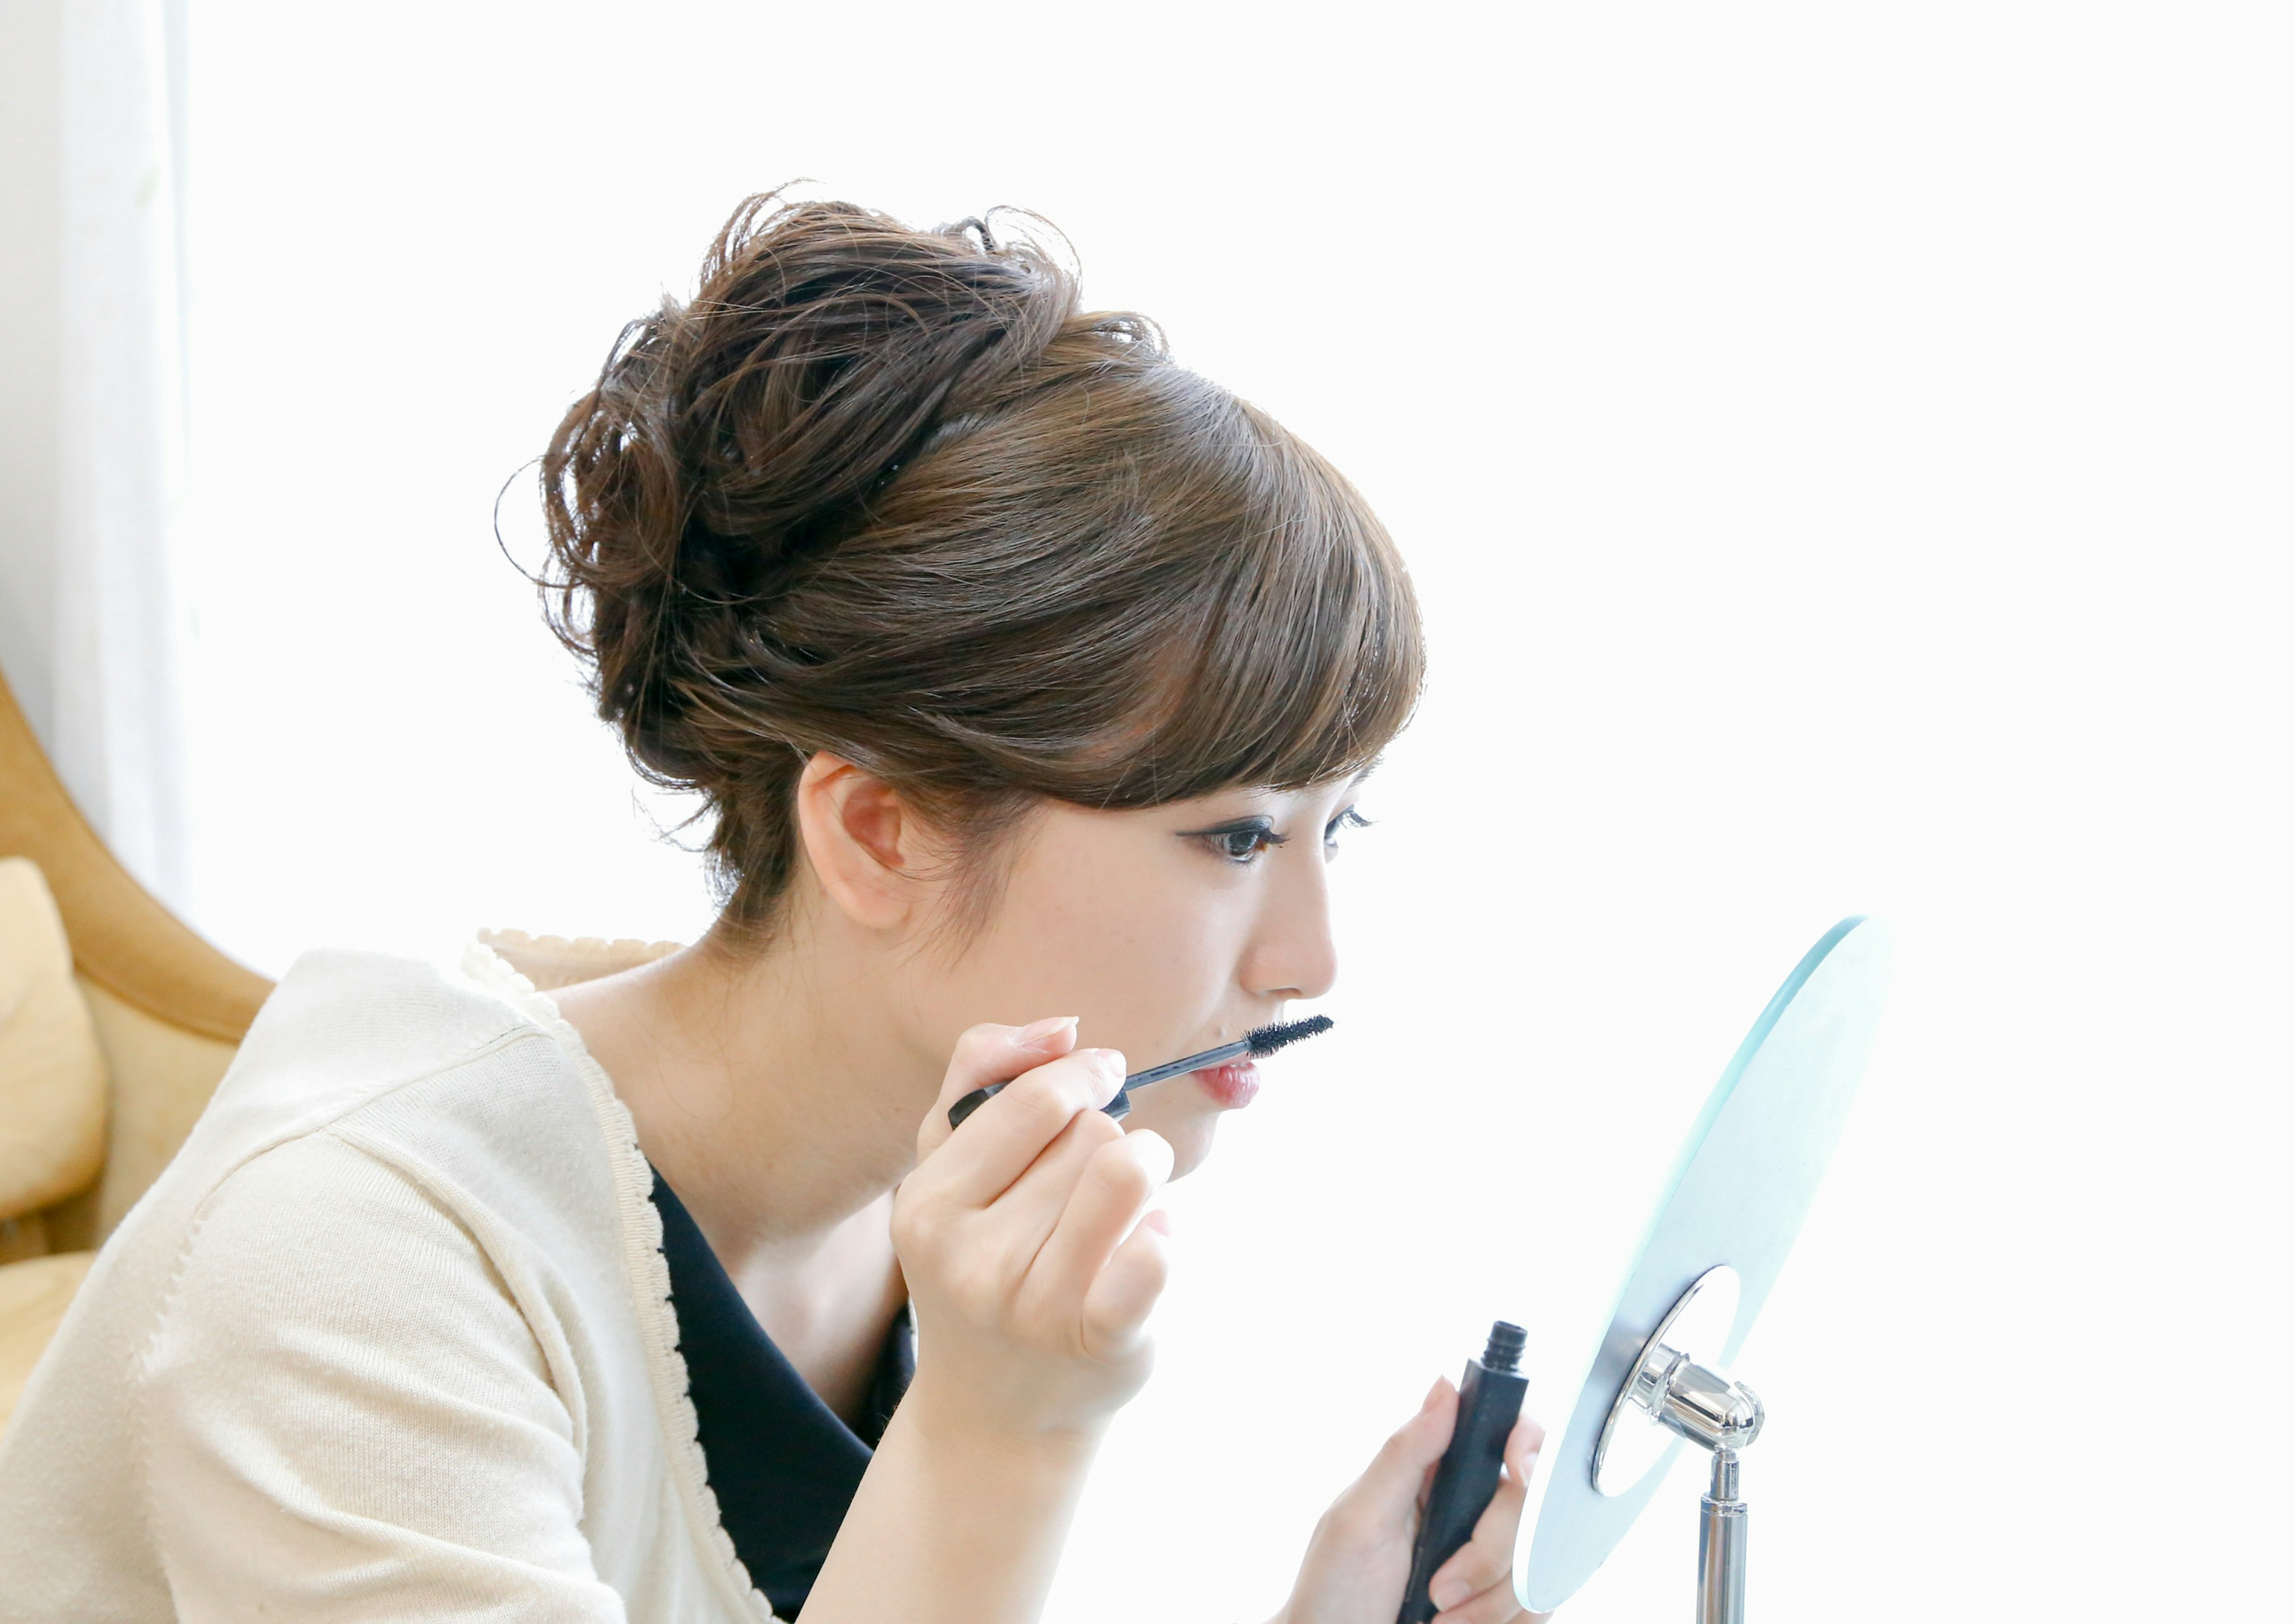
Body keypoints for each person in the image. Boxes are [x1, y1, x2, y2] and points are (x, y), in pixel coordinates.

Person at [0, 192, 1545, 1624]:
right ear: (879, 830)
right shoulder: (343, 1272)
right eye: (1233, 838)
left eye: (1337, 829)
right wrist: (1006, 1430)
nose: (1310, 958)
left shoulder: (942, 1185)